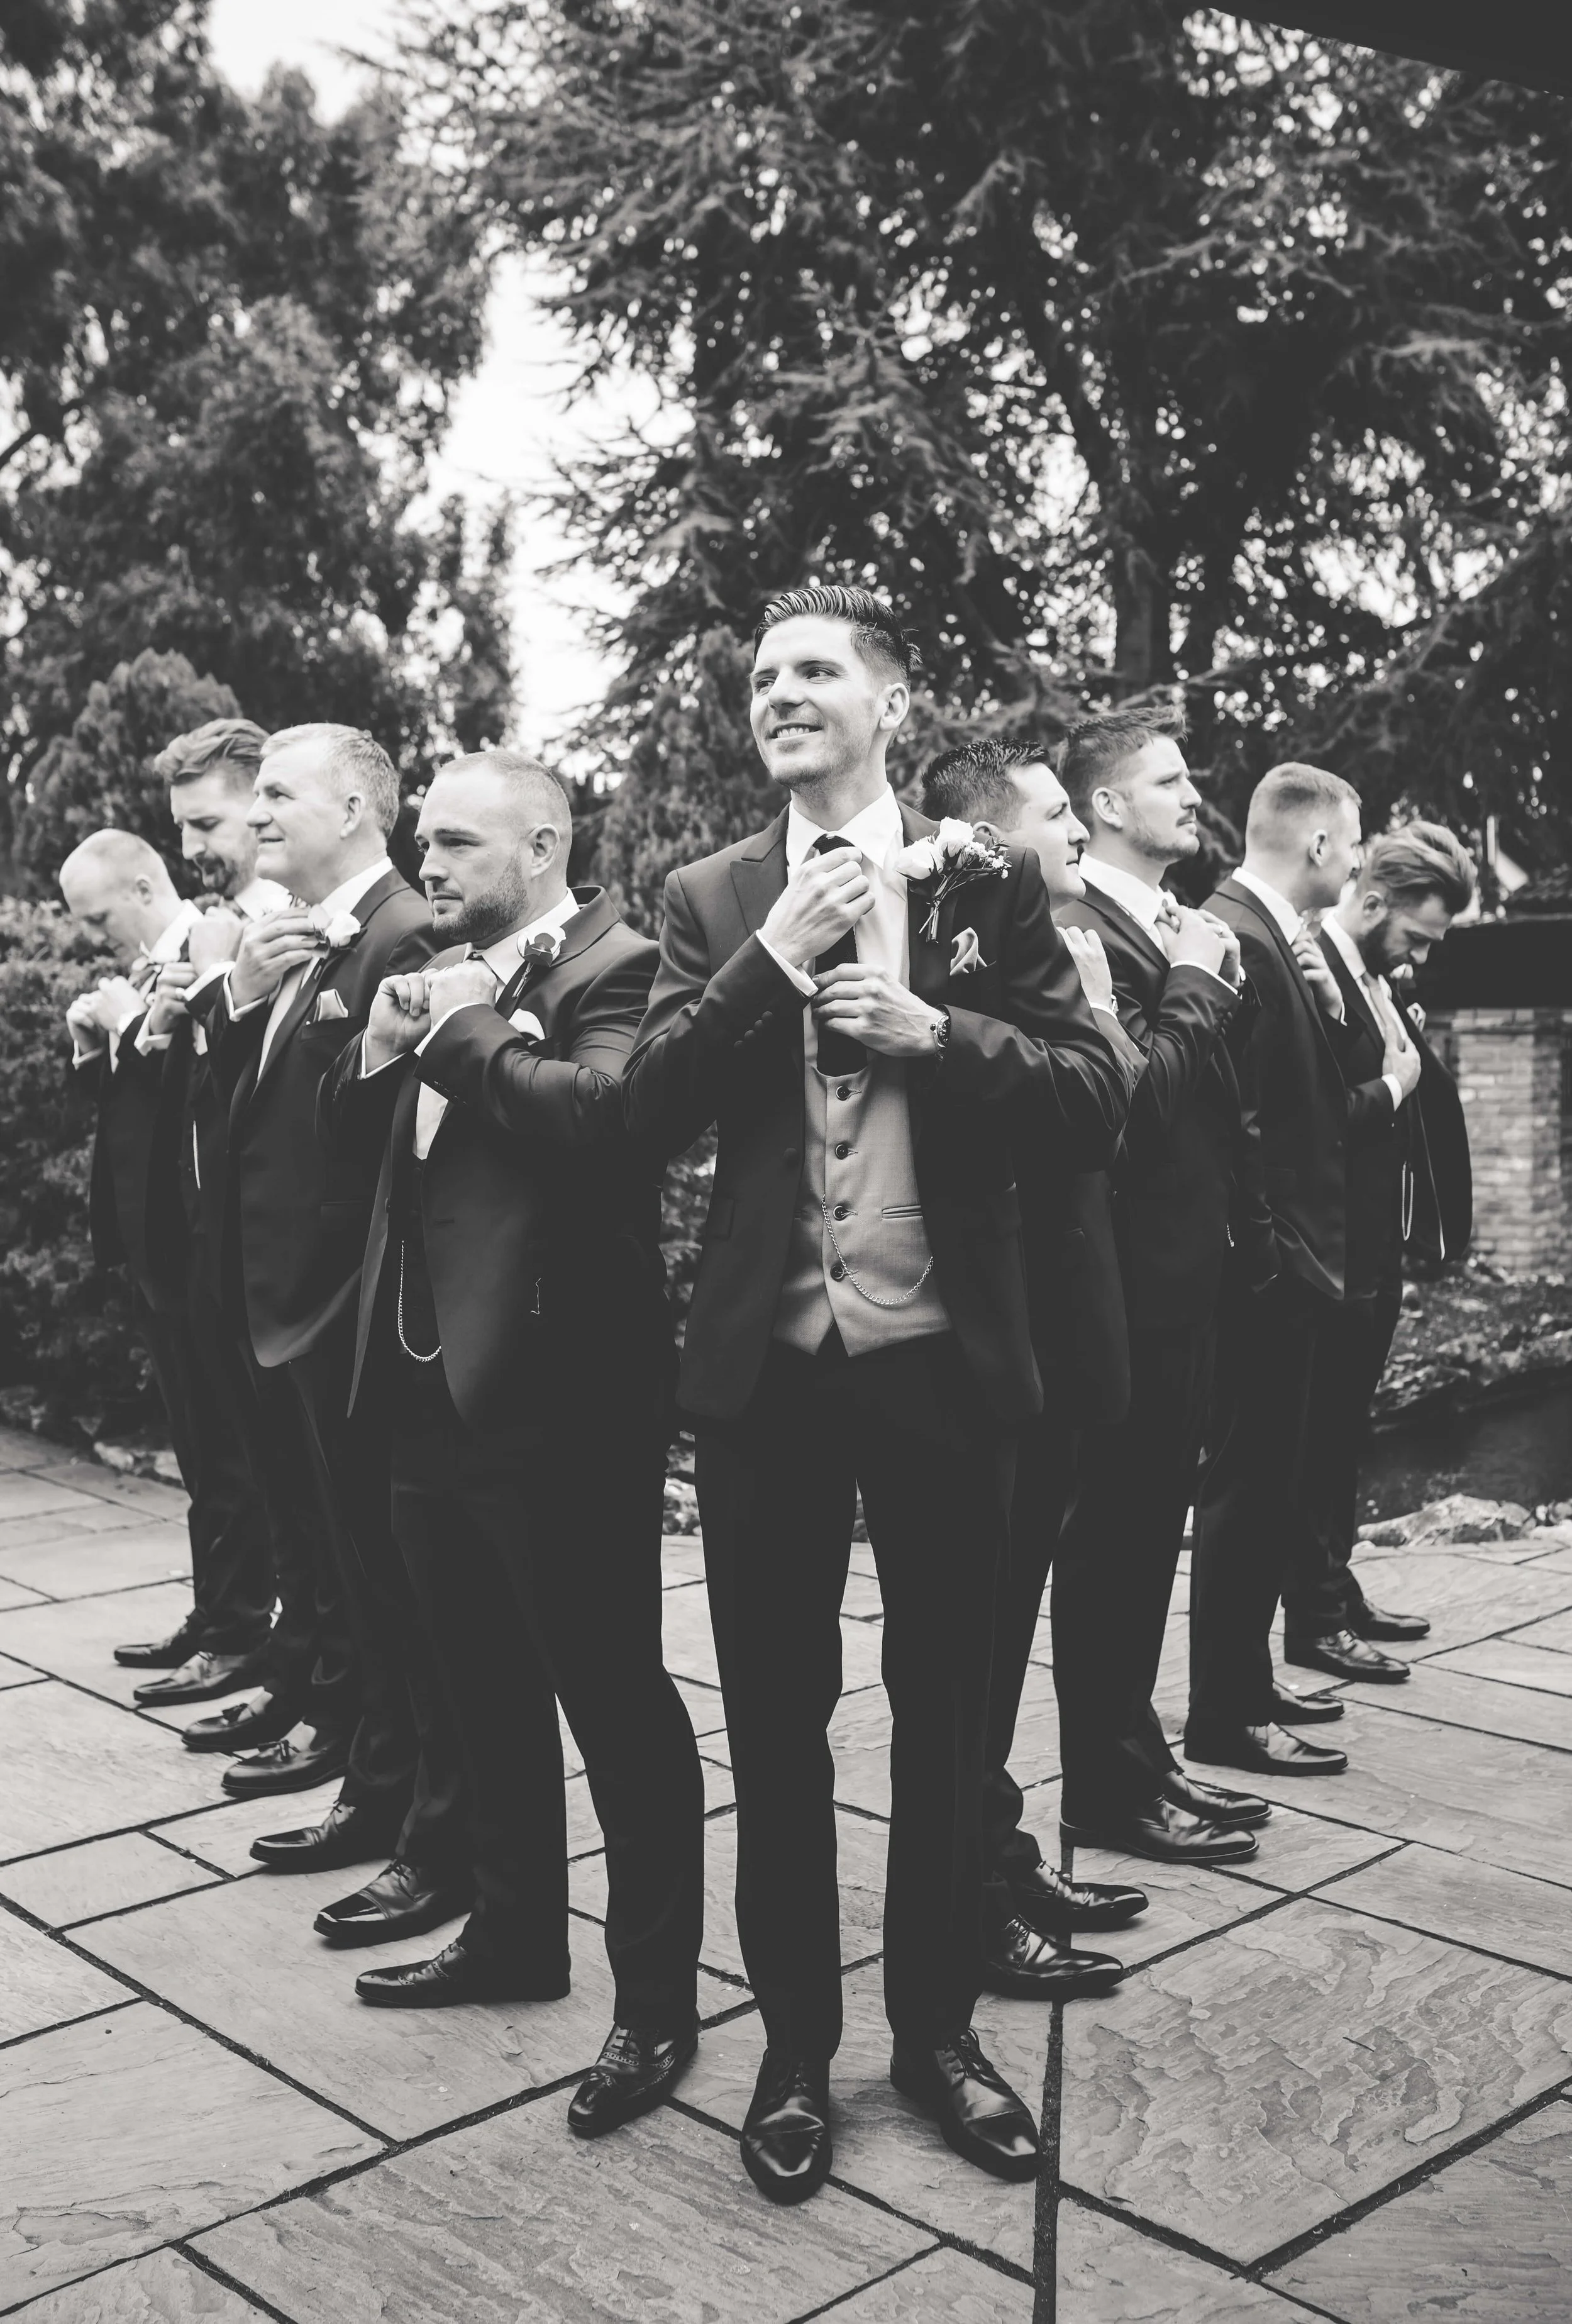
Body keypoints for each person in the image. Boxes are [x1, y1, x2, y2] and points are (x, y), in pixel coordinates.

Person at [626, 587, 1139, 2206]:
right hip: (766, 1377)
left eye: (816, 668)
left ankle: (934, 2034)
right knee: (775, 1733)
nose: (779, 690)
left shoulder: (986, 878)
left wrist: (937, 1029)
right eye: (763, 673)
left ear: (888, 702)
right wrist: (768, 964)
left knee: (949, 1721)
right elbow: (643, 1107)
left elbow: (1095, 1098)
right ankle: (792, 2051)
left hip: (946, 1370)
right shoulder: (709, 894)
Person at [323, 751, 706, 2137]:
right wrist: (373, 1056)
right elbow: (370, 1156)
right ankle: (513, 1933)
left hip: (563, 1398)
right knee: (474, 1681)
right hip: (424, 1388)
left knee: (612, 1699)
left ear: (541, 841)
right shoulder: (430, 963)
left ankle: (655, 2002)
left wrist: (472, 1028)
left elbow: (601, 1130)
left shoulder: (622, 964)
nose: (430, 863)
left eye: (459, 842)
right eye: (424, 839)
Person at [189, 724, 470, 1956]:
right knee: (352, 1574)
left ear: (355, 803)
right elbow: (246, 1124)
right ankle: (376, 1784)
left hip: (348, 1316)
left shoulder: (408, 932)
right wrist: (250, 993)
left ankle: (420, 1818)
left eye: (276, 798)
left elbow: (375, 1154)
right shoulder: (292, 937)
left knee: (398, 1589)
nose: (254, 820)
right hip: (286, 1307)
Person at [1043, 707, 1293, 1862]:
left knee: (1152, 1537)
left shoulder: (1175, 920)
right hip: (1126, 1291)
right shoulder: (1078, 924)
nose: (1195, 797)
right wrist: (1197, 980)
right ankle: (1104, 1786)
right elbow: (1139, 1113)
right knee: (1117, 1542)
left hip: (1192, 1279)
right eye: (1170, 780)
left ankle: (1142, 1758)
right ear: (1106, 806)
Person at [920, 735, 1148, 1974]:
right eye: (1057, 814)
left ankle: (997, 1850)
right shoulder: (965, 943)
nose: (1077, 831)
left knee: (1002, 1637)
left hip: (1070, 1326)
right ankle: (967, 1896)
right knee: (978, 1631)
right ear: (992, 840)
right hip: (1005, 1335)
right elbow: (1094, 1104)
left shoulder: (1072, 949)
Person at [1187, 763, 1411, 1777]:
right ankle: (1225, 1715)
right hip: (1272, 1273)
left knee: (1273, 1489)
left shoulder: (1285, 938)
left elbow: (1303, 1090)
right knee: (1244, 1494)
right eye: (1355, 836)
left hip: (1303, 1263)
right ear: (1320, 844)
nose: (1361, 855)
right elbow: (1242, 1123)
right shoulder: (1234, 928)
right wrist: (1276, 1262)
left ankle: (1247, 1681)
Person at [60, 831, 270, 1696]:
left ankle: (243, 1629)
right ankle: (216, 1610)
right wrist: (95, 1039)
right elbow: (131, 1115)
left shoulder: (216, 954)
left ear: (143, 886)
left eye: (98, 916)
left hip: (201, 1251)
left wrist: (139, 1024)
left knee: (231, 1450)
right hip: (154, 1249)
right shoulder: (152, 969)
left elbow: (210, 1102)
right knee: (198, 1449)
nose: (92, 935)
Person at [118, 721, 291, 1710]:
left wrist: (222, 991)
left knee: (260, 1460)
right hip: (195, 1238)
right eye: (179, 828)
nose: (191, 850)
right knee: (217, 1450)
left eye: (208, 822)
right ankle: (231, 1620)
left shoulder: (291, 922)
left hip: (259, 1248)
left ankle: (258, 1639)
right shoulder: (208, 927)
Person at [1283, 823, 1475, 1677]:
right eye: (1417, 936)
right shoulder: (1310, 968)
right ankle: (1313, 1615)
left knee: (1346, 1432)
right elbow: (1313, 1121)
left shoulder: (1370, 975)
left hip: (1376, 1248)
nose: (1420, 957)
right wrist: (1395, 1075)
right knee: (1318, 1436)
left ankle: (1334, 1582)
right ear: (1373, 900)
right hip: (1328, 1249)